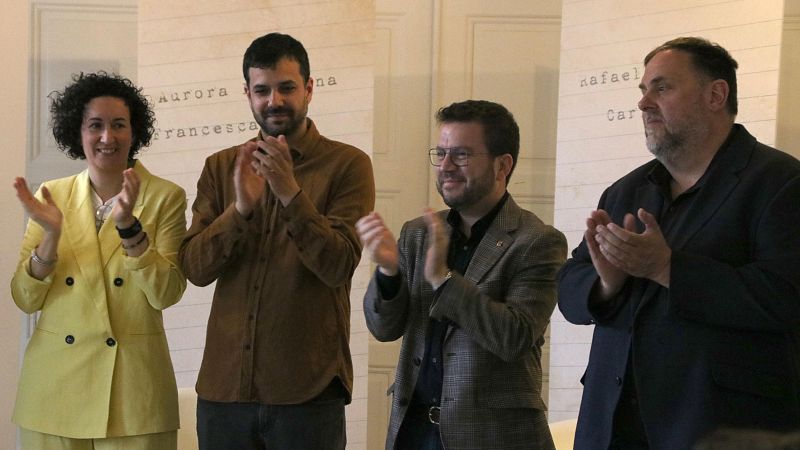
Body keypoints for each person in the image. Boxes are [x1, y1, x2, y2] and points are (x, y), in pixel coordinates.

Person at [557, 36, 800, 450]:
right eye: (643, 90)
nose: (644, 103)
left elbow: (785, 297)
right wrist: (606, 284)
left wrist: (667, 268)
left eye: (662, 87)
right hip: (612, 426)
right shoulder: (624, 191)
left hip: (717, 429)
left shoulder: (781, 183)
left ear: (715, 95)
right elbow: (569, 287)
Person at [179, 32, 375, 449]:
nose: (275, 101)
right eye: (262, 90)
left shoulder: (347, 165)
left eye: (287, 88)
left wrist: (289, 192)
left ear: (309, 89)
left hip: (307, 392)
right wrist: (240, 210)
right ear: (247, 94)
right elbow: (195, 268)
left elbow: (339, 265)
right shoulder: (221, 167)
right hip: (224, 393)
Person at [358, 100, 567, 450]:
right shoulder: (417, 233)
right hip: (414, 433)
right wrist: (388, 272)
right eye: (441, 154)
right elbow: (384, 329)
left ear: (502, 165)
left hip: (493, 438)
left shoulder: (537, 241)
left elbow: (514, 337)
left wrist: (443, 279)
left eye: (461, 155)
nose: (446, 166)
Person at [11, 72, 187, 449]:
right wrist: (51, 237)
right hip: (53, 395)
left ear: (135, 132)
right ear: (78, 132)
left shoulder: (165, 196)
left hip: (134, 396)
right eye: (95, 125)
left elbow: (166, 293)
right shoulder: (51, 195)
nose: (108, 137)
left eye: (119, 125)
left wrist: (128, 229)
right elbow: (25, 298)